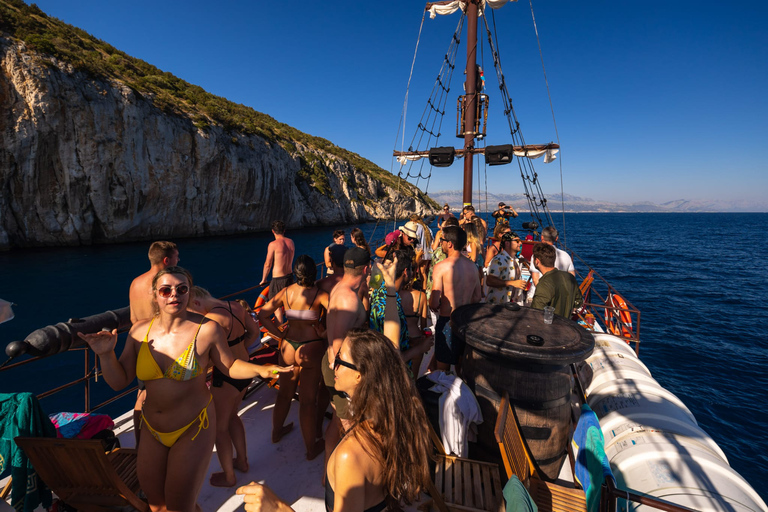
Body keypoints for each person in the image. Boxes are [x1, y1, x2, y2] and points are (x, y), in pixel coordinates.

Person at [79, 267, 292, 512]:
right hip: (151, 429)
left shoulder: (207, 330)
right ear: (155, 295)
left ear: (190, 294)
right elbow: (119, 381)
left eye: (182, 289)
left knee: (179, 506)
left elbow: (230, 365)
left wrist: (262, 370)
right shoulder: (139, 333)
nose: (174, 295)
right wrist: (106, 355)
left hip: (193, 427)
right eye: (165, 289)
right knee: (156, 505)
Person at [237, 313, 431, 512]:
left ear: (359, 376)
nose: (332, 365)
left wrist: (278, 508)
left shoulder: (351, 454)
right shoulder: (391, 418)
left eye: (340, 360)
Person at [258, 255, 329, 461]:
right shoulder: (320, 295)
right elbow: (336, 318)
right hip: (311, 348)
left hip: (288, 346)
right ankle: (310, 449)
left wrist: (279, 335)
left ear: (295, 273)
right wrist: (323, 332)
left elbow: (263, 314)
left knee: (284, 394)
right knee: (307, 402)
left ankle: (276, 432)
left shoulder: (286, 292)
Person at [188, 287, 260, 487]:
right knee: (232, 417)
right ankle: (242, 461)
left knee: (219, 429)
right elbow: (254, 332)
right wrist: (240, 351)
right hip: (244, 371)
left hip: (225, 378)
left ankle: (229, 476)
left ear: (196, 303)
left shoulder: (209, 322)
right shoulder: (236, 306)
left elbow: (202, 359)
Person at [321, 247, 371, 467]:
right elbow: (339, 342)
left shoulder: (339, 287)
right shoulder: (349, 299)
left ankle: (327, 470)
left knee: (337, 421)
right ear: (366, 269)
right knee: (350, 427)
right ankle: (343, 473)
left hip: (337, 366)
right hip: (341, 369)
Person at [128, 240, 179, 445]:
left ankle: (140, 442)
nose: (178, 260)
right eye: (176, 257)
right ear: (166, 260)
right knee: (170, 398)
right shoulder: (167, 283)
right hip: (164, 348)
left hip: (141, 347)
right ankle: (166, 441)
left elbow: (133, 319)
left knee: (142, 395)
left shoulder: (135, 283)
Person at [430, 226, 482, 372]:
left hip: (448, 321)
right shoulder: (473, 267)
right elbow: (477, 296)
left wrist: (437, 304)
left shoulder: (440, 267)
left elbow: (434, 302)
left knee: (442, 371)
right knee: (461, 367)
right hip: (465, 321)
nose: (440, 243)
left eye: (442, 240)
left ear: (450, 244)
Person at [531, 243, 583, 318]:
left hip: (551, 327)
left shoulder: (544, 283)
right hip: (566, 324)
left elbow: (535, 312)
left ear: (537, 261)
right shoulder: (570, 277)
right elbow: (578, 302)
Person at [260, 220, 296, 324]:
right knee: (289, 305)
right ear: (284, 230)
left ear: (273, 231)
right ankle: (293, 329)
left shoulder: (273, 244)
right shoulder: (291, 242)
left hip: (278, 280)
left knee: (277, 308)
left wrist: (264, 279)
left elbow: (267, 264)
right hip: (289, 277)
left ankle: (280, 335)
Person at [485, 232, 526, 305]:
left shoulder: (515, 260)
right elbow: (489, 281)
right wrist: (513, 283)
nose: (520, 243)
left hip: (511, 303)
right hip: (497, 305)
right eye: (516, 241)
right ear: (507, 243)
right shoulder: (498, 260)